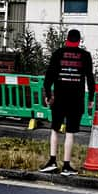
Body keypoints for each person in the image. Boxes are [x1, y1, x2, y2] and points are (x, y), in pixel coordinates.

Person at [39, 29, 95, 176]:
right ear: (79, 41)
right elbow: (90, 78)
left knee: (55, 129)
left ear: (67, 39)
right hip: (76, 99)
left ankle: (52, 162)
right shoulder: (85, 56)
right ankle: (66, 166)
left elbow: (49, 76)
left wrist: (48, 93)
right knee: (70, 132)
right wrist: (91, 98)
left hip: (59, 97)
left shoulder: (58, 54)